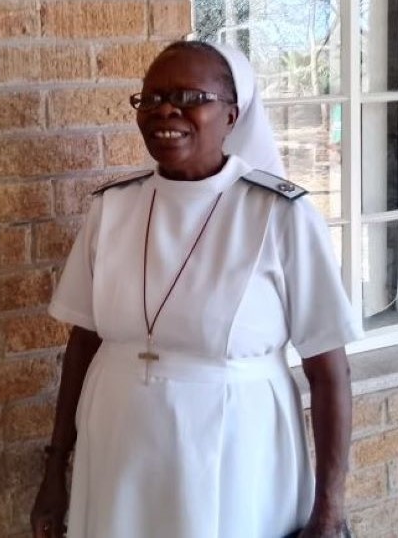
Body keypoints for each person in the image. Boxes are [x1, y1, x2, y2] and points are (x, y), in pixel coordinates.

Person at [30, 40, 361, 538]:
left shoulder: (280, 215)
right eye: (152, 98)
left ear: (232, 115)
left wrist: (329, 510)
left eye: (190, 97)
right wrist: (55, 468)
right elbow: (83, 342)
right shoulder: (112, 208)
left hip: (237, 452)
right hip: (118, 447)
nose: (166, 110)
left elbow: (328, 371)